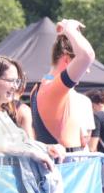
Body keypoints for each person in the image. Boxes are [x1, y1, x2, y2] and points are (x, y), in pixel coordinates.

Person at [30, 19, 96, 152]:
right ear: (66, 59)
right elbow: (86, 55)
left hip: (59, 164)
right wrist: (69, 28)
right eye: (84, 67)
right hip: (66, 168)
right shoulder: (53, 89)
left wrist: (66, 35)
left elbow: (50, 75)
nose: (86, 71)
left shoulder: (41, 86)